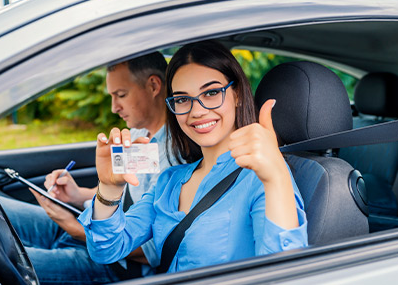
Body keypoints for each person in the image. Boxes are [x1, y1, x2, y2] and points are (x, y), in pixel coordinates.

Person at [79, 40, 308, 273]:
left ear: (237, 94)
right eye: (182, 99)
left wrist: (277, 176)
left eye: (211, 93)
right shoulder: (169, 181)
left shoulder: (264, 178)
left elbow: (285, 275)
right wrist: (108, 188)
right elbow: (106, 250)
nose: (196, 111)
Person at [0, 52, 175, 285]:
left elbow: (153, 251)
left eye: (121, 95)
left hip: (119, 265)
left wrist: (75, 229)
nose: (114, 107)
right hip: (92, 226)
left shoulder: (174, 156)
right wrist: (77, 195)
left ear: (154, 85)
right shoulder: (138, 136)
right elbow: (126, 196)